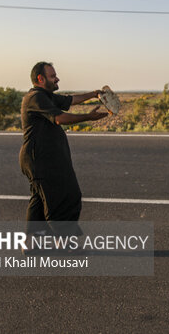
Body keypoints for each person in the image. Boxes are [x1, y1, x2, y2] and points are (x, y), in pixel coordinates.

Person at [19, 61, 108, 249]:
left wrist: (94, 94)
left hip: (42, 159)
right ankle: (65, 243)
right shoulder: (36, 97)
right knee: (66, 196)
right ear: (40, 79)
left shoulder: (46, 96)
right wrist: (88, 117)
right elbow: (59, 118)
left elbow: (70, 100)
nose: (57, 78)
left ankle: (30, 244)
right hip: (40, 160)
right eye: (52, 76)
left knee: (39, 199)